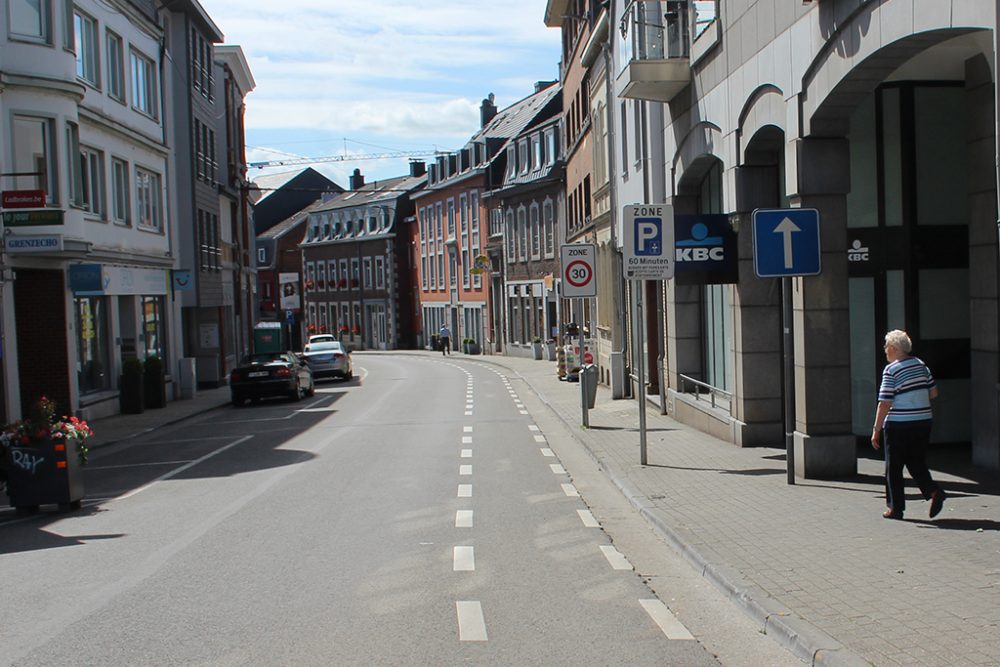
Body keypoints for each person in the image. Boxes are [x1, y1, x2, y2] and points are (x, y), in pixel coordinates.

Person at [871, 329, 946, 520]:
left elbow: (885, 403)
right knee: (916, 460)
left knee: (894, 467)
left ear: (895, 348)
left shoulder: (891, 370)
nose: (885, 350)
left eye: (886, 346)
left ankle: (895, 508)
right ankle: (933, 491)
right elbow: (933, 393)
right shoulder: (921, 365)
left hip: (898, 424)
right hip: (923, 421)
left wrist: (876, 429)